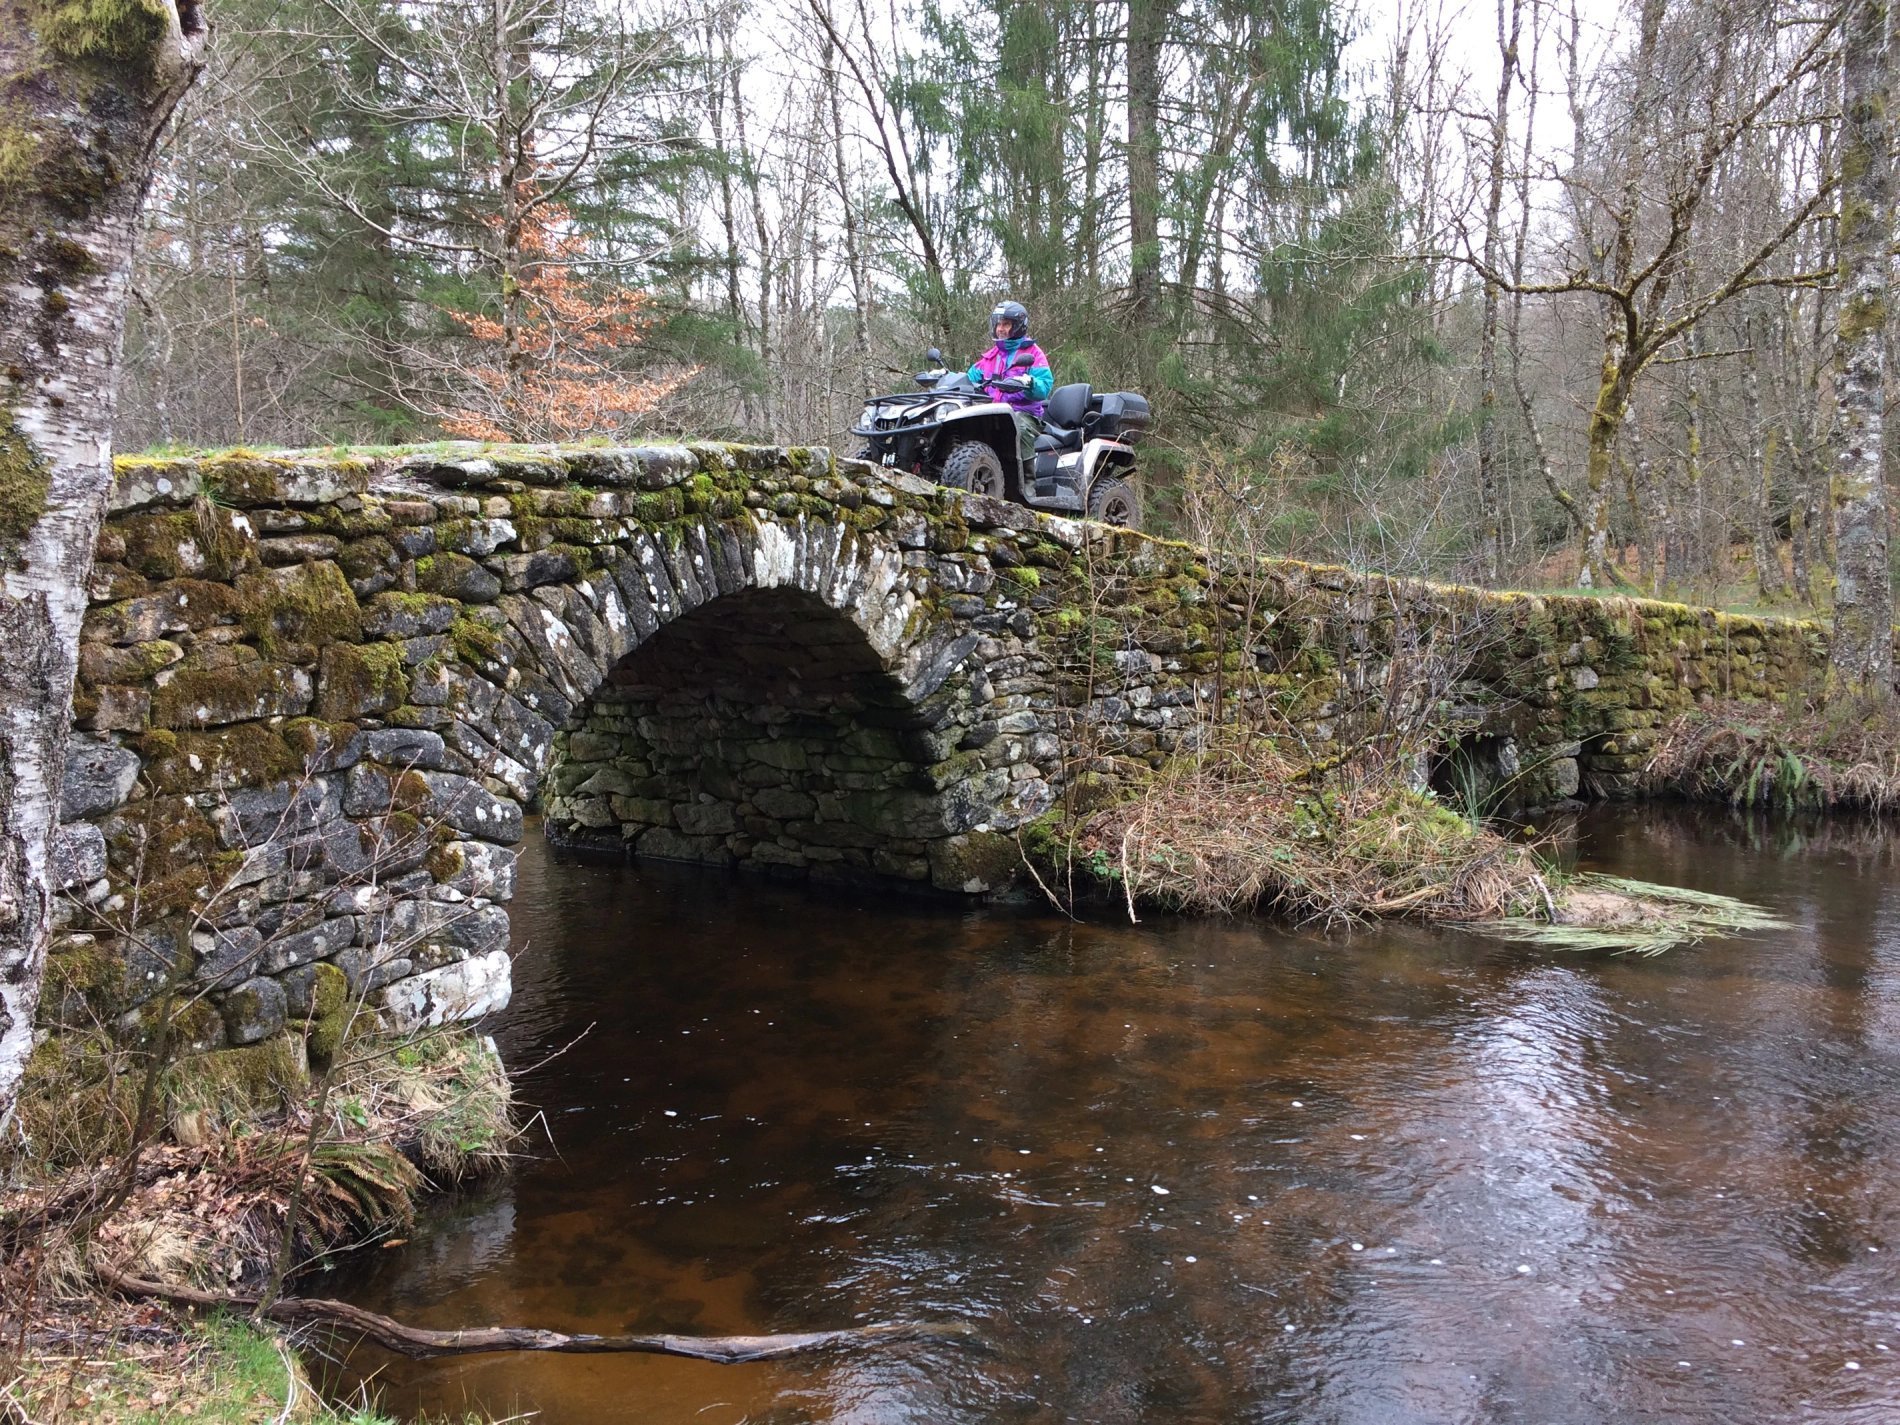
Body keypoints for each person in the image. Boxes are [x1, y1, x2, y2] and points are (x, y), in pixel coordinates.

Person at [968, 300, 1053, 465]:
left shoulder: (1033, 353)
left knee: (1018, 429)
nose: (1000, 329)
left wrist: (1030, 382)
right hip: (994, 413)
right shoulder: (992, 355)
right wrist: (947, 376)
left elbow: (1044, 388)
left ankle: (1028, 487)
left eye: (1005, 324)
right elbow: (969, 377)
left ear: (1019, 325)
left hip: (1025, 414)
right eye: (998, 324)